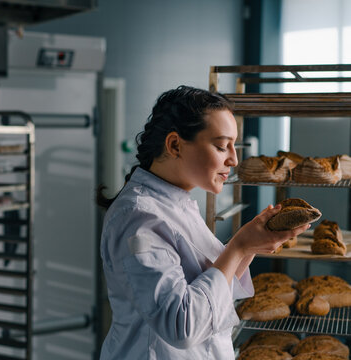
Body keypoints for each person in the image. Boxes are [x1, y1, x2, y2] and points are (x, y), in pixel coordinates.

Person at [96, 85, 309, 359]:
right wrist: (239, 247)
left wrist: (253, 244)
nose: (233, 158)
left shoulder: (174, 201)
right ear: (175, 145)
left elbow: (210, 288)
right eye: (222, 146)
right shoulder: (139, 217)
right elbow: (181, 326)